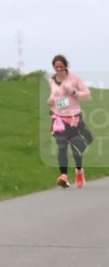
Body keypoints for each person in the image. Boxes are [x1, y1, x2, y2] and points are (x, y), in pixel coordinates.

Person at [48, 54, 91, 188]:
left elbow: (87, 94)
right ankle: (64, 177)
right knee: (61, 146)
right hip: (58, 117)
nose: (59, 69)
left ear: (66, 65)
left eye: (61, 66)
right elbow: (54, 94)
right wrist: (51, 100)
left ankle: (79, 171)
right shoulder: (52, 79)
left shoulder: (75, 78)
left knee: (75, 148)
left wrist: (73, 92)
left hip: (74, 117)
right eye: (56, 67)